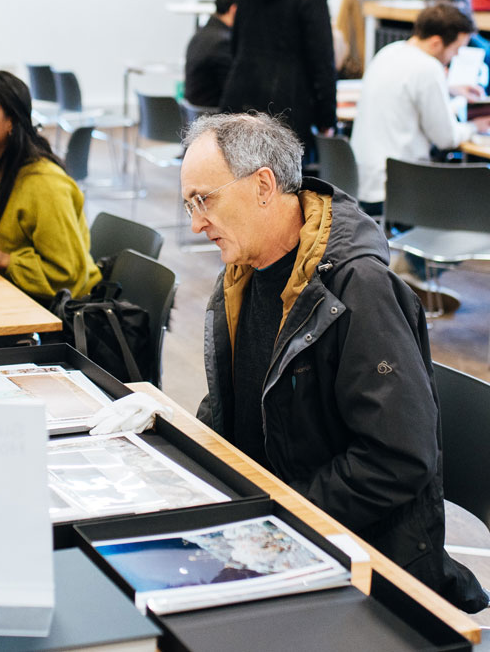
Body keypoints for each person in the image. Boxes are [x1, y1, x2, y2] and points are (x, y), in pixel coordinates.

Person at [182, 111, 488, 614]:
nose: (196, 223)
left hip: (361, 559)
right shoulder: (240, 274)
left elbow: (399, 458)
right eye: (189, 203)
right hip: (274, 531)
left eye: (204, 199)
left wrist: (284, 518)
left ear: (263, 186)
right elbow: (237, 405)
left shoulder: (358, 289)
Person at [0, 71, 101, 303]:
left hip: (60, 312)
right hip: (4, 294)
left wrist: (2, 259)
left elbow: (67, 275)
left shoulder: (45, 183)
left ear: (11, 121)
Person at [351, 3, 490, 216]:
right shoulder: (428, 69)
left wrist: (450, 90)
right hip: (398, 192)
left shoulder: (389, 51)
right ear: (436, 42)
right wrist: (474, 126)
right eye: (456, 49)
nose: (455, 56)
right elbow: (446, 138)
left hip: (360, 183)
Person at [220, 0, 337, 163]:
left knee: (240, 180)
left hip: (241, 99)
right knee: (283, 187)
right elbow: (322, 64)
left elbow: (235, 46)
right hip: (288, 106)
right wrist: (327, 120)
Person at [184, 0, 241, 109]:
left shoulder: (200, 35)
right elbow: (233, 92)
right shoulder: (223, 42)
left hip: (197, 118)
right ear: (234, 10)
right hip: (213, 120)